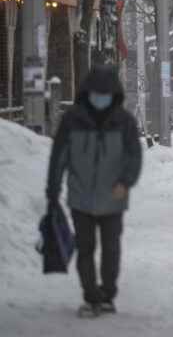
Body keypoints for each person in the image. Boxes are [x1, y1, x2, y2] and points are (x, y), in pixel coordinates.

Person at [45, 65, 143, 317]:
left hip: (114, 197)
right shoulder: (72, 121)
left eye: (106, 94)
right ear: (87, 93)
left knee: (111, 249)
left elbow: (134, 156)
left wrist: (125, 181)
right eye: (96, 93)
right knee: (85, 248)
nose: (101, 98)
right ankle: (91, 296)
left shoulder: (124, 122)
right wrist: (53, 190)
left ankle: (108, 294)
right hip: (81, 197)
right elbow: (59, 158)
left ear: (114, 95)